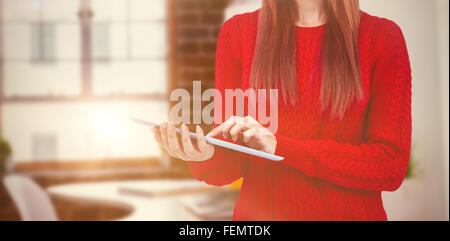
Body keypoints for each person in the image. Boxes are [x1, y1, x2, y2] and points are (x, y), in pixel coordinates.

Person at [151, 0, 412, 220]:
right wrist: (204, 154)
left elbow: (389, 165)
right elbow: (232, 161)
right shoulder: (239, 34)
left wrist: (281, 148)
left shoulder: (382, 38)